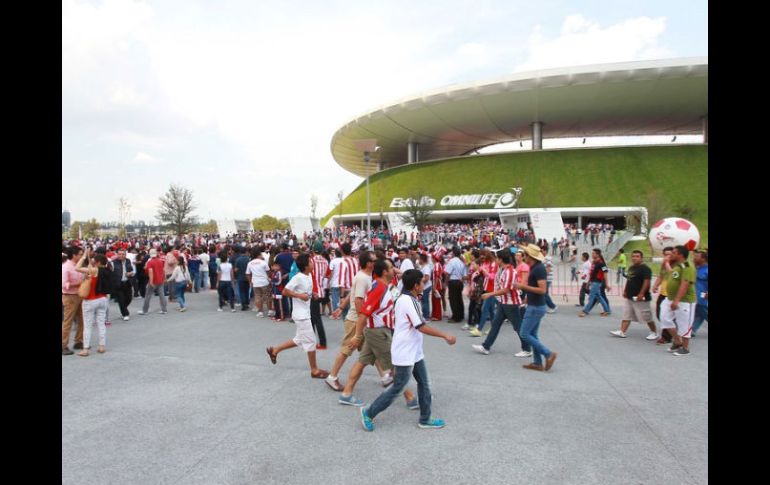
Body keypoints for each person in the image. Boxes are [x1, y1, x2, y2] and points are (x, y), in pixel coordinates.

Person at [359, 269, 456, 431]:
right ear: (415, 285)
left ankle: (425, 418)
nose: (424, 284)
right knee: (398, 387)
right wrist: (445, 335)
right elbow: (421, 326)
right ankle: (369, 412)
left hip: (414, 351)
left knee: (424, 383)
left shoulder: (408, 298)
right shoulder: (408, 301)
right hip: (405, 352)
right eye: (422, 282)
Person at [337, 259, 417, 409]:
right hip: (378, 333)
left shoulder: (388, 286)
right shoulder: (379, 288)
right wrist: (357, 336)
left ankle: (346, 394)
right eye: (391, 268)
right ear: (385, 272)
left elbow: (401, 299)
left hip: (378, 331)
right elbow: (363, 314)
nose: (394, 270)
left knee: (362, 362)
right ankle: (410, 398)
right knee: (396, 365)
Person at [266, 253, 330, 379]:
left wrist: (312, 295)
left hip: (305, 313)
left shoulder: (308, 275)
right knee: (311, 341)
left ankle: (275, 350)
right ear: (305, 266)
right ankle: (314, 370)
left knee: (299, 340)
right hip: (301, 315)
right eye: (310, 262)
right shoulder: (298, 277)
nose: (312, 263)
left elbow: (306, 292)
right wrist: (299, 296)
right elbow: (285, 291)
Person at [472, 250, 529, 357]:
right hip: (504, 302)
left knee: (518, 326)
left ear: (501, 259)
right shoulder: (503, 270)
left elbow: (506, 290)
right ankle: (486, 346)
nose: (496, 260)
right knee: (495, 324)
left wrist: (490, 294)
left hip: (511, 303)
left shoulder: (509, 272)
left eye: (497, 258)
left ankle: (527, 348)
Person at [516, 244, 558, 372]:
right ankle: (537, 363)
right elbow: (536, 288)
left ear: (530, 256)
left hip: (536, 307)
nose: (523, 256)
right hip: (535, 305)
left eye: (525, 254)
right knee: (532, 334)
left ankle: (548, 354)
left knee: (524, 334)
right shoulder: (535, 267)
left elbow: (542, 290)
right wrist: (527, 298)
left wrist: (523, 287)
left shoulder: (538, 269)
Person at [609, 250, 658, 340]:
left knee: (646, 316)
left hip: (641, 298)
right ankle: (622, 331)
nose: (634, 258)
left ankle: (654, 332)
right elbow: (629, 279)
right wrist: (625, 291)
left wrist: (641, 293)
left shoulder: (645, 269)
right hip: (630, 296)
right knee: (627, 314)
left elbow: (647, 282)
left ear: (641, 258)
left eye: (637, 256)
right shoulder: (631, 268)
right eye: (633, 256)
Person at [659, 245, 696, 356]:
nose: (671, 254)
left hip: (684, 301)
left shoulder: (687, 266)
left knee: (684, 324)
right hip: (670, 298)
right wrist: (666, 263)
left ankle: (685, 348)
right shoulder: (678, 266)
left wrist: (676, 300)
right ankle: (677, 341)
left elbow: (685, 284)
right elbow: (672, 274)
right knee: (664, 318)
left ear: (680, 255)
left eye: (674, 253)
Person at [74, 248, 110, 356]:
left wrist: (84, 256)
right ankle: (102, 346)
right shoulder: (108, 270)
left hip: (91, 300)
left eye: (95, 260)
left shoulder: (94, 270)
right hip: (103, 299)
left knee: (87, 325)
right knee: (101, 324)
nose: (93, 261)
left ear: (98, 262)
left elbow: (77, 268)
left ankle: (85, 349)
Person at [62, 245, 85, 355]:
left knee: (82, 319)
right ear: (74, 255)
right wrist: (78, 283)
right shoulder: (66, 267)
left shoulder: (78, 265)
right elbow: (64, 285)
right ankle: (63, 345)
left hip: (80, 295)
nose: (82, 256)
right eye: (80, 254)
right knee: (68, 321)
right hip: (70, 296)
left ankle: (78, 341)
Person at [651, 247, 674, 345]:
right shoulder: (664, 265)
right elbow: (661, 276)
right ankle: (672, 332)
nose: (667, 256)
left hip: (672, 295)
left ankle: (666, 337)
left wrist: (667, 263)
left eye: (669, 254)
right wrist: (655, 285)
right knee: (659, 314)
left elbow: (673, 275)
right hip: (663, 293)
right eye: (665, 254)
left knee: (666, 316)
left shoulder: (677, 265)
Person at [578, 248, 611, 317]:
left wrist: (607, 284)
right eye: (592, 253)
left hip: (597, 282)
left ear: (598, 254)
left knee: (591, 297)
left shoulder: (601, 263)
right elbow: (591, 273)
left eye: (593, 253)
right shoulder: (593, 262)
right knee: (599, 297)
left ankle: (585, 311)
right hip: (593, 281)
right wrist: (588, 282)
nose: (592, 254)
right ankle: (607, 310)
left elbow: (605, 273)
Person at [139, 248, 168, 315]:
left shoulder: (150, 262)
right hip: (160, 280)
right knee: (162, 295)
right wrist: (164, 278)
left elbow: (150, 271)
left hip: (153, 280)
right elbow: (163, 270)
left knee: (148, 295)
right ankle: (164, 309)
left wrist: (151, 281)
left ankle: (145, 310)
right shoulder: (160, 261)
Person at [110, 249, 135, 321]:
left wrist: (130, 273)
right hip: (118, 284)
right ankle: (125, 314)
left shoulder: (128, 261)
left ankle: (123, 308)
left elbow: (131, 270)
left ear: (125, 255)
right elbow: (110, 273)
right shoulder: (113, 262)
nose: (121, 256)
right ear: (117, 254)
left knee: (129, 298)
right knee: (121, 300)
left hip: (127, 282)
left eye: (123, 254)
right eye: (119, 254)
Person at [246, 247, 271, 317]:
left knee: (257, 297)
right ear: (259, 254)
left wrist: (250, 281)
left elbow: (247, 274)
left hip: (255, 282)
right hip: (264, 282)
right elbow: (268, 271)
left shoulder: (250, 263)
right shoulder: (263, 262)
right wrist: (268, 277)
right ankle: (270, 311)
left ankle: (260, 312)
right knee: (267, 296)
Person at [691, 249, 708, 337]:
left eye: (697, 256)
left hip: (703, 294)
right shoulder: (696, 268)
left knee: (703, 310)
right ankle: (692, 330)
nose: (694, 258)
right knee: (698, 312)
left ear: (703, 259)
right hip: (694, 294)